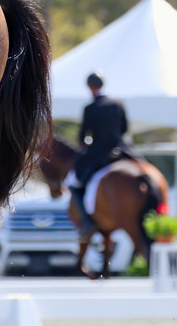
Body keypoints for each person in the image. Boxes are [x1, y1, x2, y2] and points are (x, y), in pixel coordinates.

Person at [67, 72, 130, 239]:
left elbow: (83, 136)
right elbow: (124, 129)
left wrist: (88, 144)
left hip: (99, 153)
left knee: (75, 181)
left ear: (90, 87)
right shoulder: (118, 104)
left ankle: (87, 221)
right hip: (120, 149)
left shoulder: (91, 108)